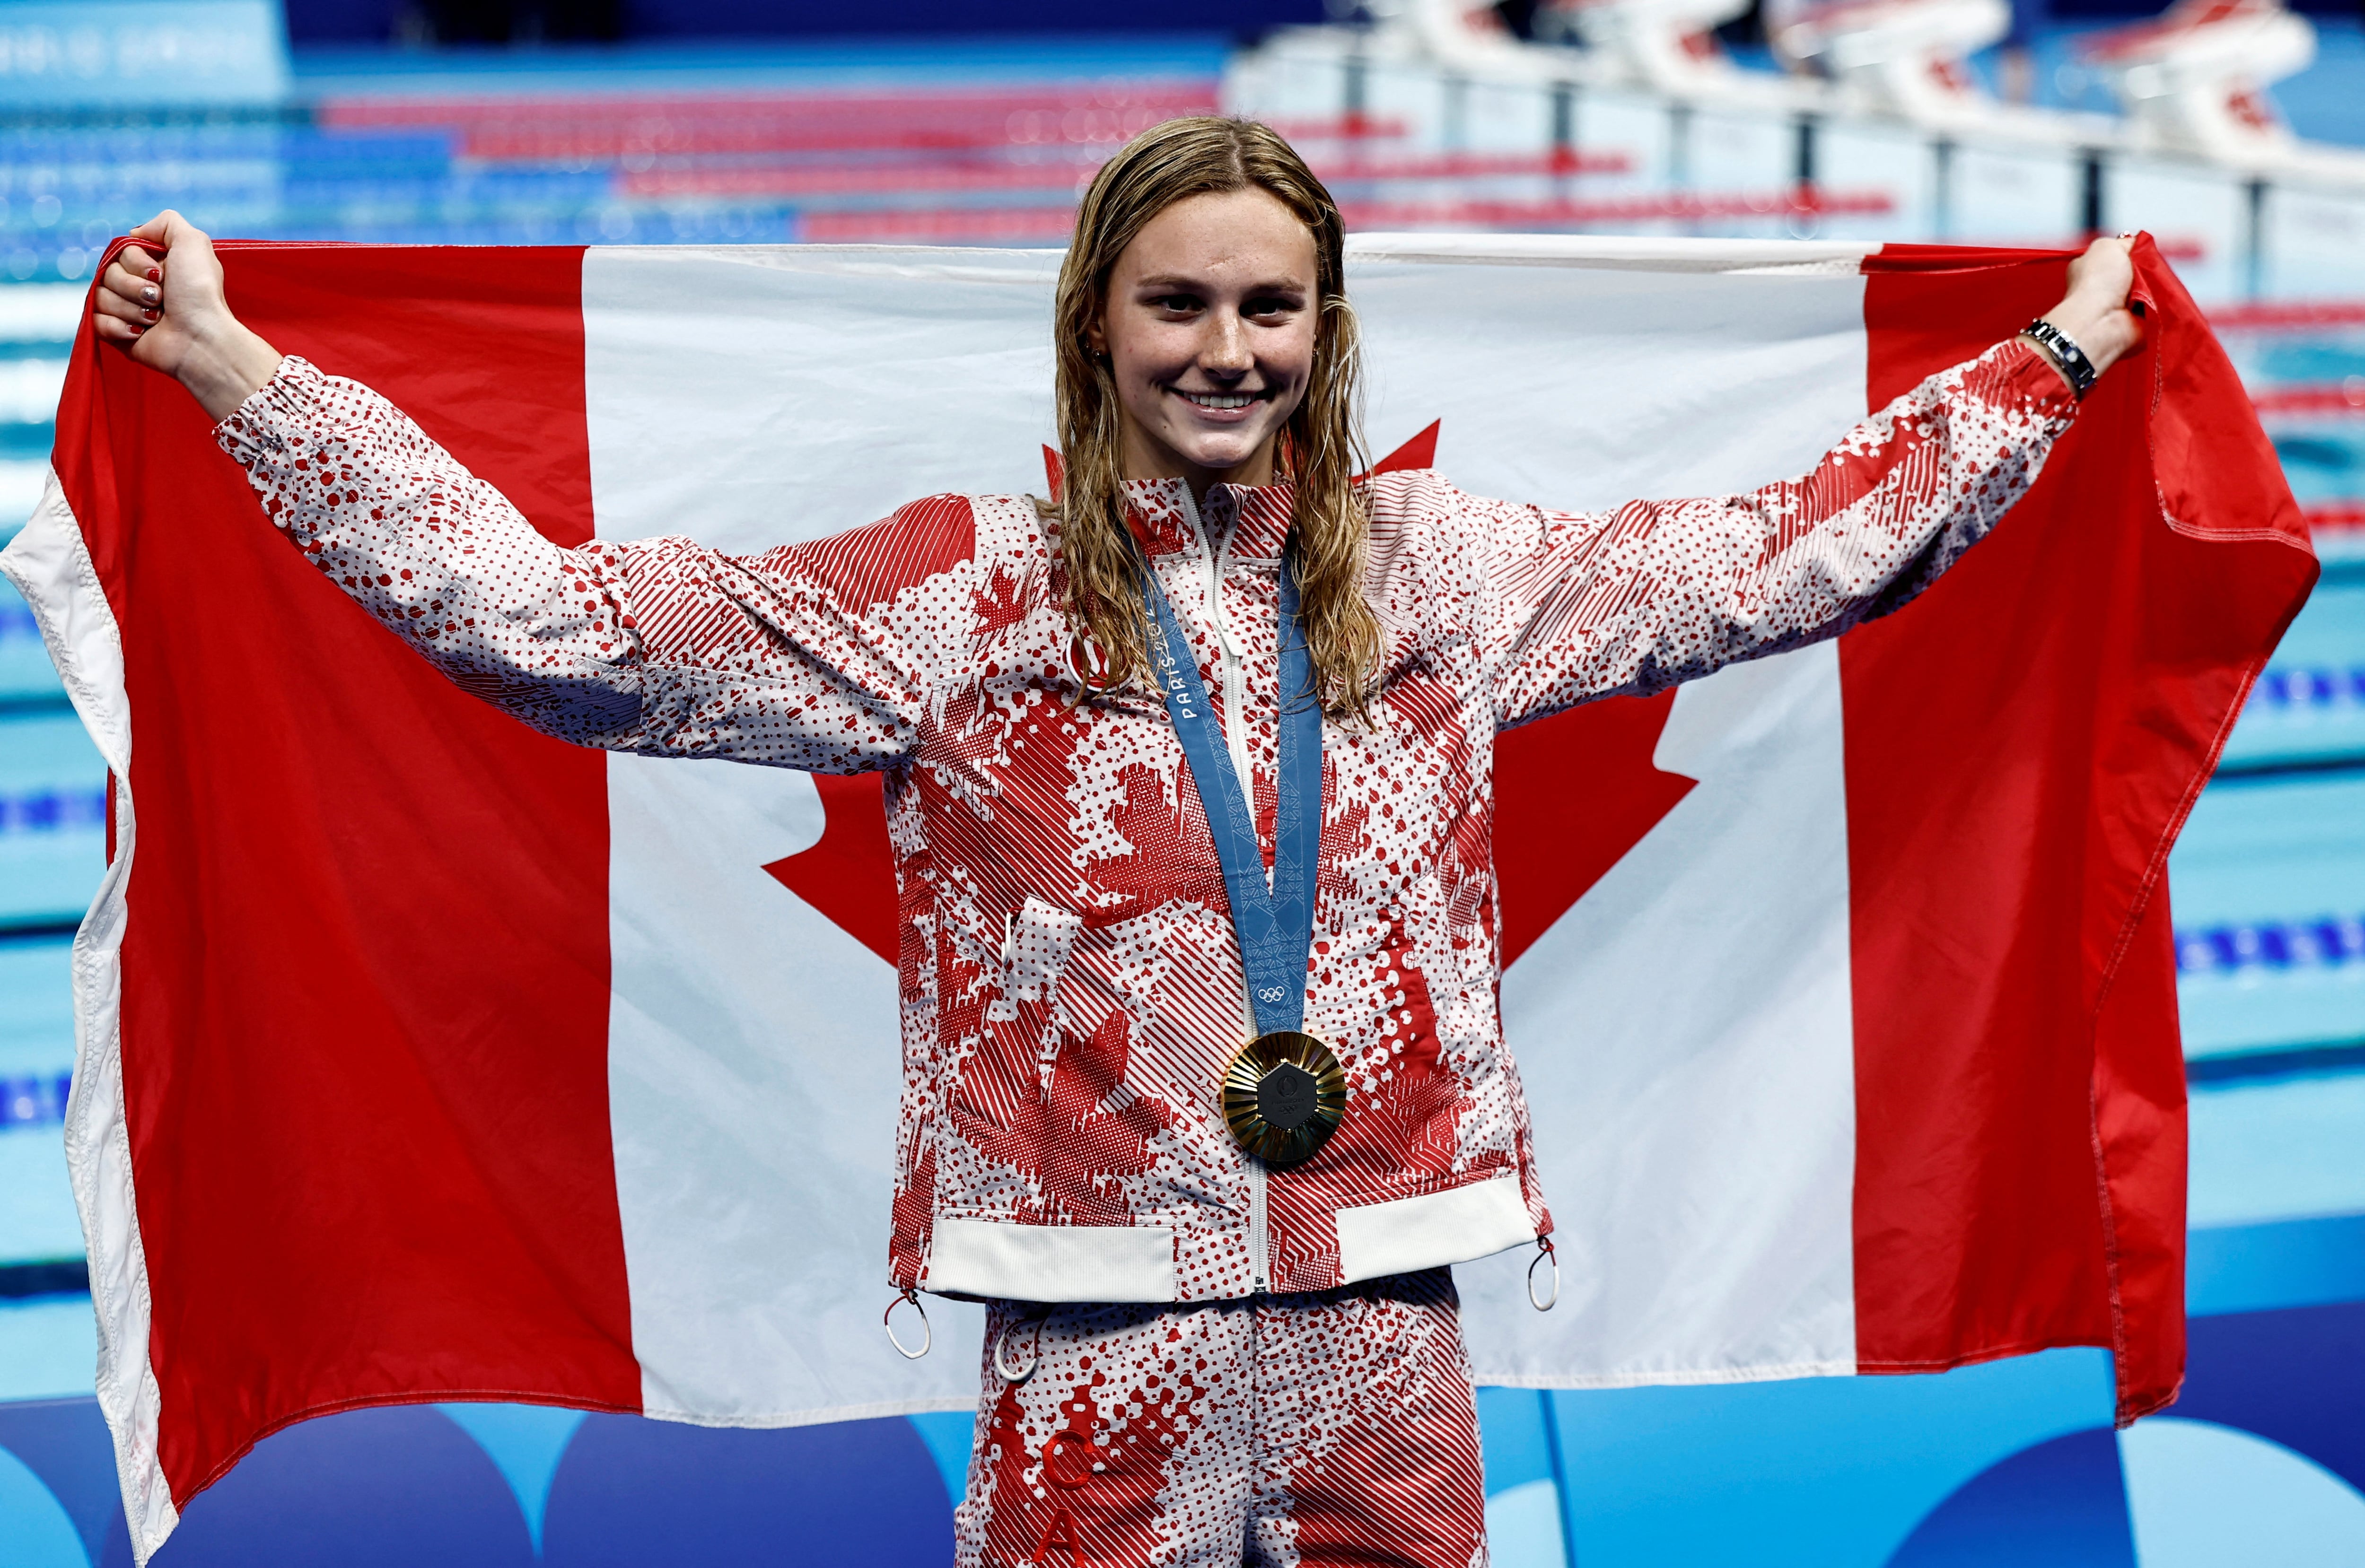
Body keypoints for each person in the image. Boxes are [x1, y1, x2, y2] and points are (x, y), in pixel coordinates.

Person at [95, 116, 2138, 1568]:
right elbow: (556, 629)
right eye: (1177, 303)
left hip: (1379, 1291)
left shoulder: (1446, 575)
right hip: (1094, 1316)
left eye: (1269, 307)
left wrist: (2049, 363)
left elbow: (1778, 558)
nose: (1224, 349)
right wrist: (242, 374)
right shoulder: (957, 601)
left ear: (1328, 334)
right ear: (1096, 322)